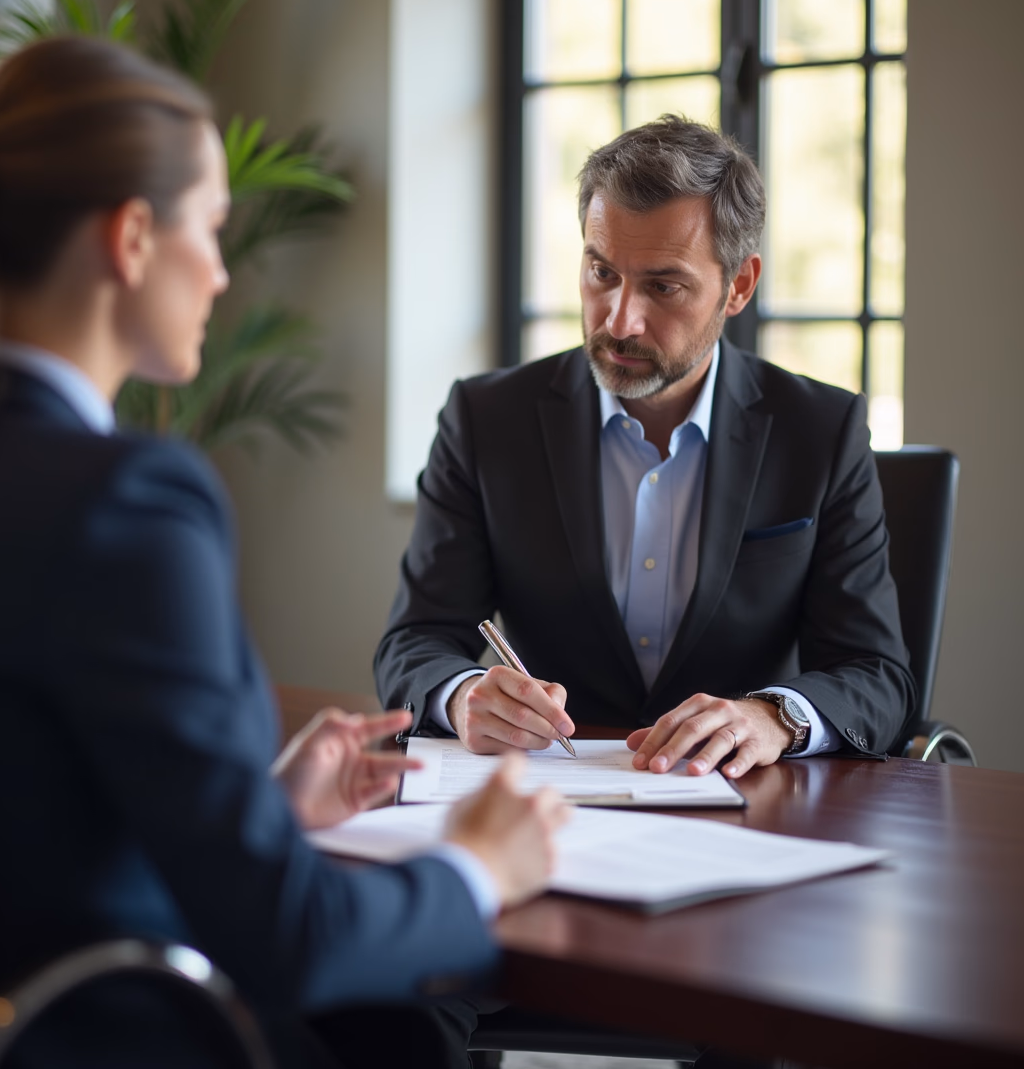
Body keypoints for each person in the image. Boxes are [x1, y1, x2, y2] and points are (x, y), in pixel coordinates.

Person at [0, 36, 567, 1069]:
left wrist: (261, 811)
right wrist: (478, 867)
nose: (224, 274)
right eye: (213, 228)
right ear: (132, 238)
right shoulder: (123, 503)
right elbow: (290, 940)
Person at [375, 116, 914, 781]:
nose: (620, 320)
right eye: (601, 272)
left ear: (739, 286)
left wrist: (774, 717)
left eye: (663, 286)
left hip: (747, 804)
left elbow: (878, 675)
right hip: (545, 797)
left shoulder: (821, 431)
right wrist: (461, 697)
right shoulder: (486, 419)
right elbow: (415, 641)